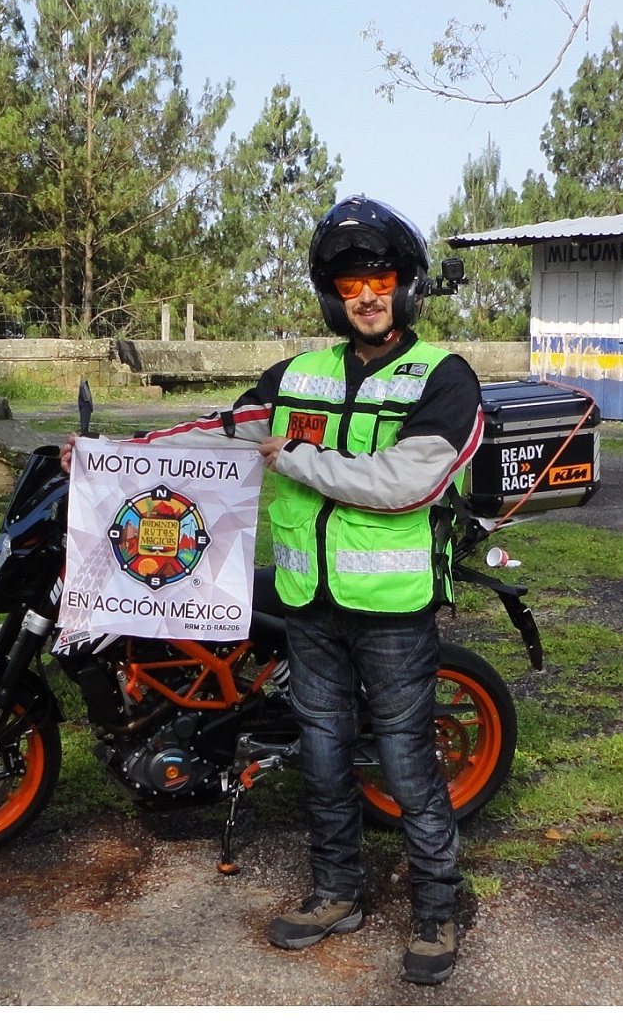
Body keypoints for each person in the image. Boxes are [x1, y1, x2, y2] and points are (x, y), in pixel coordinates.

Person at [61, 196, 483, 986]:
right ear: (332, 292)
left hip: (392, 613)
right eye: (350, 280)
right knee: (321, 757)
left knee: (404, 763)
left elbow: (404, 482)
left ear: (406, 286)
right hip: (307, 604)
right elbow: (220, 434)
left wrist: (291, 459)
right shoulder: (299, 375)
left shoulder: (443, 378)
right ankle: (335, 893)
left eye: (381, 277)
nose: (366, 294)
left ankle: (435, 911)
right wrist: (107, 458)